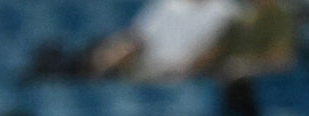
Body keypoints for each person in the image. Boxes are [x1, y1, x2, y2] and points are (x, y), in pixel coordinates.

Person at [86, 0, 239, 82]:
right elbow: (138, 37)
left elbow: (217, 49)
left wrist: (184, 70)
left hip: (189, 75)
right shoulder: (168, 4)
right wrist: (113, 56)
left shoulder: (227, 9)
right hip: (147, 68)